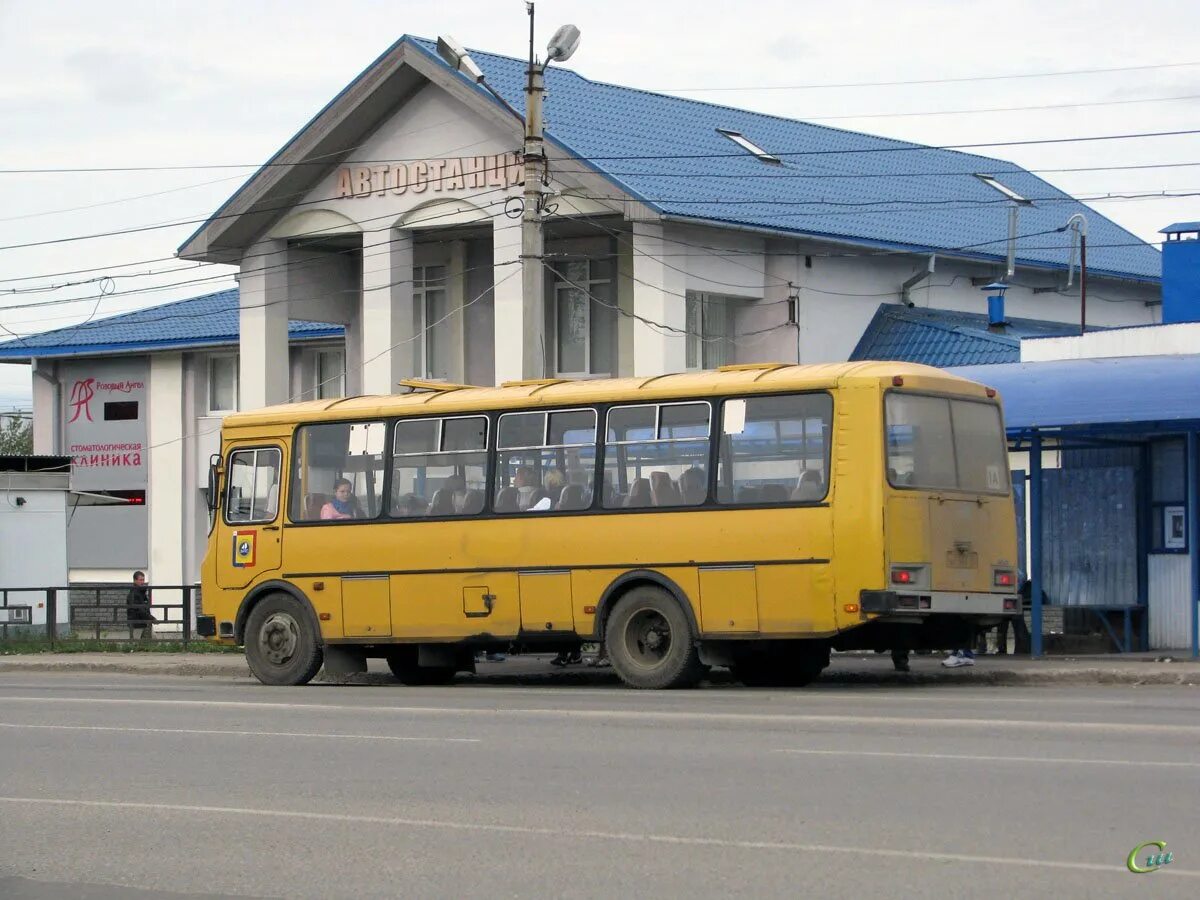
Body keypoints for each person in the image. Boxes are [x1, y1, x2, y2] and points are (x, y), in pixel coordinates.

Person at [125, 570, 156, 641]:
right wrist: (151, 618)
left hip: (143, 623)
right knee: (136, 643)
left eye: (143, 580)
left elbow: (144, 608)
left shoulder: (142, 593)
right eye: (140, 580)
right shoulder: (134, 594)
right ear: (135, 580)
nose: (142, 582)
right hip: (137, 624)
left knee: (153, 641)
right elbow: (139, 610)